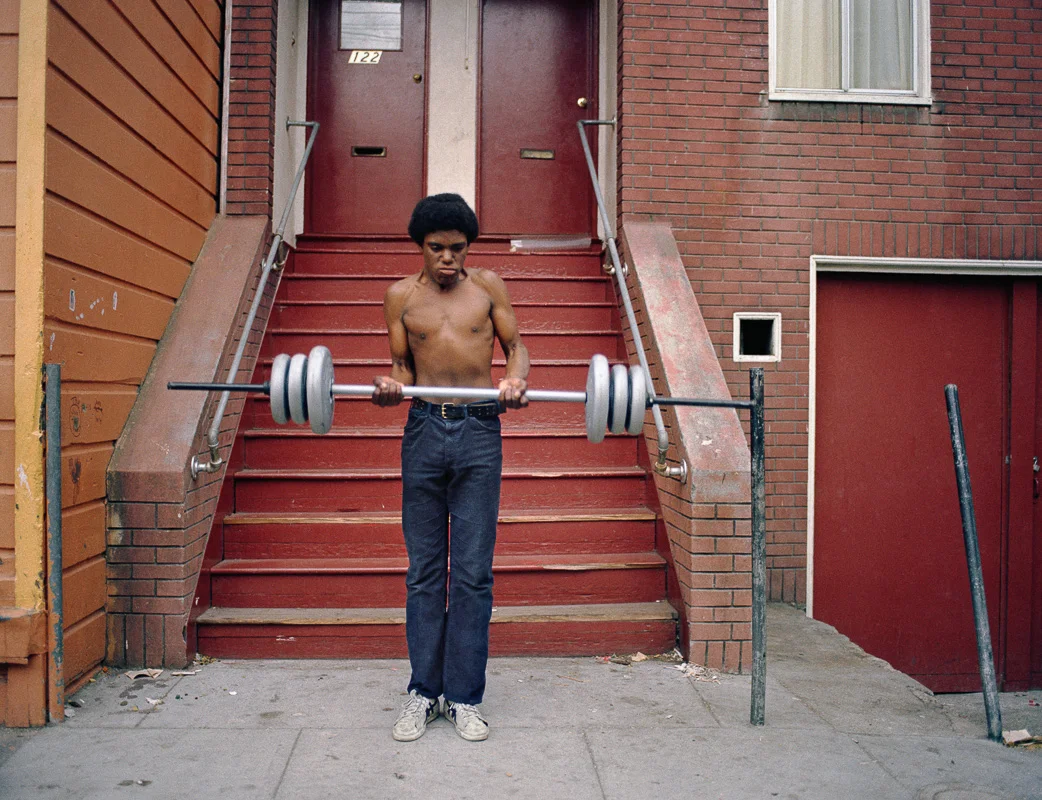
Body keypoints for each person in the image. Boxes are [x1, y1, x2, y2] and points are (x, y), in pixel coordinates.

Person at [372, 193, 529, 742]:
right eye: (437, 249)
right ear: (420, 247)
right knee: (423, 571)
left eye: (457, 249)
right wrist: (391, 387)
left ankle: (463, 696)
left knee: (471, 572)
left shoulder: (487, 288)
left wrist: (515, 380)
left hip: (480, 429)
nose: (448, 259)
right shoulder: (399, 298)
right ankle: (422, 691)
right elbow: (399, 366)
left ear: (469, 248)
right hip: (422, 431)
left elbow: (517, 348)